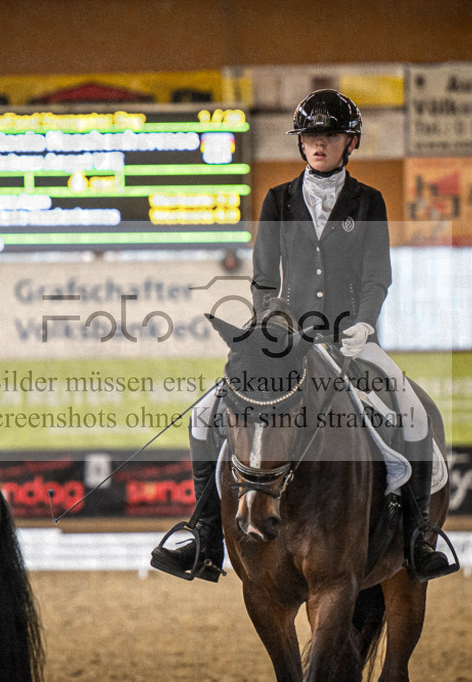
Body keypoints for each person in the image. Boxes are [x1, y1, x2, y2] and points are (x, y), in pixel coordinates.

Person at [151, 89, 455, 583]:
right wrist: (273, 323)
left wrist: (365, 319)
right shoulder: (278, 200)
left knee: (416, 412)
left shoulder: (370, 202)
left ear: (349, 142)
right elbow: (264, 278)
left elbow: (378, 275)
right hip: (283, 343)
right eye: (311, 136)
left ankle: (419, 537)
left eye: (329, 135)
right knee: (205, 415)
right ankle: (204, 538)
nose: (319, 144)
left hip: (351, 339)